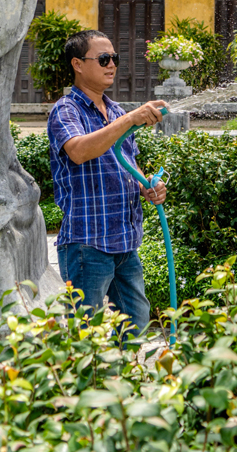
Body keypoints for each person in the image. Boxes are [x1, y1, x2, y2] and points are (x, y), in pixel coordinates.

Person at [47, 29, 169, 336]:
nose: (111, 64)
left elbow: (127, 161)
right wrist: (129, 120)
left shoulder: (114, 110)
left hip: (125, 242)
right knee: (87, 332)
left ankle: (125, 381)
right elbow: (79, 151)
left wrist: (147, 185)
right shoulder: (66, 109)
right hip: (88, 243)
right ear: (77, 64)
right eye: (103, 59)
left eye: (114, 58)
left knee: (136, 323)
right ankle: (85, 383)